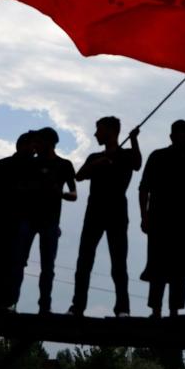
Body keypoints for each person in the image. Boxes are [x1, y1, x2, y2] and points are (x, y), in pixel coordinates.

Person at [69, 117, 141, 317]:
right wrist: (99, 163)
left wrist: (134, 139)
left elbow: (137, 164)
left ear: (110, 131)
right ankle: (77, 306)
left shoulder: (125, 155)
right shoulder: (94, 157)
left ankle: (123, 308)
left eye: (98, 130)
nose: (95, 134)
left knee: (119, 263)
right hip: (94, 212)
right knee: (84, 261)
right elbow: (79, 175)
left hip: (117, 212)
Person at [139, 119, 185, 318]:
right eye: (184, 135)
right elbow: (144, 189)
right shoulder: (157, 157)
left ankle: (174, 311)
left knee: (180, 268)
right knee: (157, 267)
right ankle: (156, 309)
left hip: (183, 223)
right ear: (172, 136)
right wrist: (144, 217)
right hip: (159, 221)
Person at [12, 127, 76, 313]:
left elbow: (73, 194)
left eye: (38, 142)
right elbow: (18, 187)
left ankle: (44, 306)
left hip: (50, 222)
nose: (35, 145)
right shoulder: (29, 164)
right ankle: (12, 302)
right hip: (28, 220)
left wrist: (60, 193)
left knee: (47, 268)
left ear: (49, 143)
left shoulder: (64, 165)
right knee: (19, 263)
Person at [0, 131, 36, 311]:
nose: (35, 150)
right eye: (32, 145)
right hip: (5, 223)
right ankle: (1, 307)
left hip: (17, 223)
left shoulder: (6, 165)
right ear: (23, 145)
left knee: (13, 266)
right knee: (3, 266)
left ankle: (6, 305)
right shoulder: (3, 165)